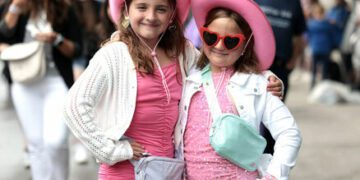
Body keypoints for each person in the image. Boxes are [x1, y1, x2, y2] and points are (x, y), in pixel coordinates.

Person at [63, 0, 283, 179]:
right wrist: (110, 150)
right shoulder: (113, 55)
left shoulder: (183, 52)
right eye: (142, 7)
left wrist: (266, 78)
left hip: (168, 171)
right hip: (125, 170)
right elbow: (73, 106)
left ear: (171, 16)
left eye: (160, 9)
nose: (151, 16)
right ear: (127, 11)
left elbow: (223, 66)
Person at [174, 0, 302, 179]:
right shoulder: (189, 74)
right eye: (211, 37)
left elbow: (289, 132)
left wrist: (274, 175)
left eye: (231, 41)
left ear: (245, 45)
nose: (219, 46)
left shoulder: (257, 85)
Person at [0, 0, 82, 179]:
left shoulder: (64, 8)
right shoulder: (13, 6)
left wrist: (57, 39)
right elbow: (3, 35)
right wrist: (14, 9)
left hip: (56, 81)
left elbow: (77, 49)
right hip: (23, 82)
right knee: (36, 144)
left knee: (56, 141)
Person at [255, 0, 307, 155]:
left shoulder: (293, 3)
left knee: (274, 119)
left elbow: (299, 36)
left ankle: (269, 159)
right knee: (250, 115)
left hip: (280, 68)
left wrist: (295, 58)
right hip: (255, 66)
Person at [307, 3, 335, 88]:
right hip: (325, 49)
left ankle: (312, 85)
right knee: (324, 69)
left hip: (315, 49)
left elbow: (307, 36)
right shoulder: (328, 24)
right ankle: (323, 86)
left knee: (314, 69)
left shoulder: (311, 24)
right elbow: (332, 36)